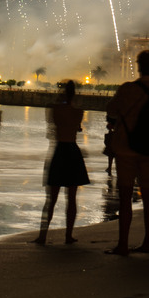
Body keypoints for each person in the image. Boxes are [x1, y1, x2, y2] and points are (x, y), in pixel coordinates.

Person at [106, 50, 149, 256]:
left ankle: (123, 244)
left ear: (139, 66)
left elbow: (112, 110)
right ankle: (148, 242)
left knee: (125, 197)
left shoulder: (128, 89)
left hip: (126, 148)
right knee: (148, 195)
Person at [34, 80, 90, 245]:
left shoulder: (54, 109)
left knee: (51, 198)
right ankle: (68, 235)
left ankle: (43, 236)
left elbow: (51, 129)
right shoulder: (79, 112)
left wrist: (59, 101)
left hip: (60, 151)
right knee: (71, 198)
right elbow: (77, 127)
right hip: (72, 151)